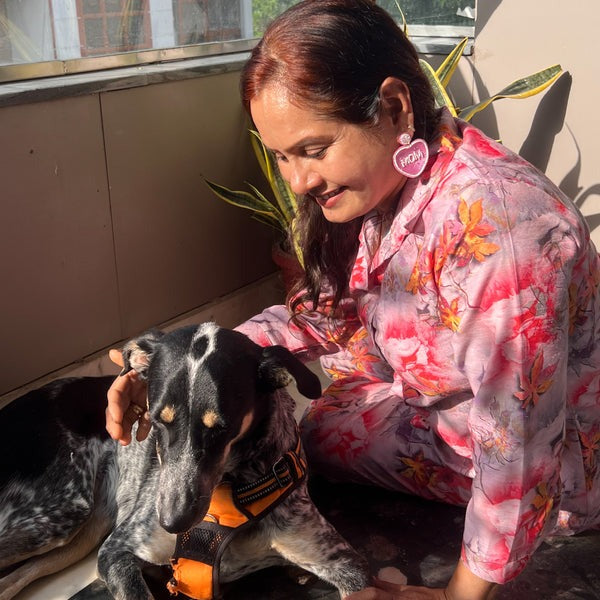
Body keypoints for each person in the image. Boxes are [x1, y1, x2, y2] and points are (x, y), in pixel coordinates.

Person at [106, 1, 600, 598]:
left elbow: (518, 445)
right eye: (282, 156)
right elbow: (318, 317)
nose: (297, 181)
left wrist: (456, 594)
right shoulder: (391, 189)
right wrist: (181, 372)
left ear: (394, 107)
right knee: (320, 432)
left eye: (312, 150)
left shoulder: (499, 230)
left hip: (557, 464)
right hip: (438, 403)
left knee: (318, 439)